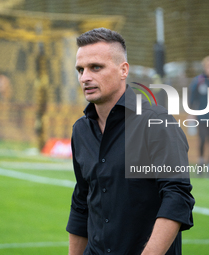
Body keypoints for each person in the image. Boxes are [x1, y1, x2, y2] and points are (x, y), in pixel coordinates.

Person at [66, 28, 195, 255]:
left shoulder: (157, 123)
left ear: (123, 70)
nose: (85, 77)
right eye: (80, 69)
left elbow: (177, 197)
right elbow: (81, 201)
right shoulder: (80, 130)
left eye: (96, 67)